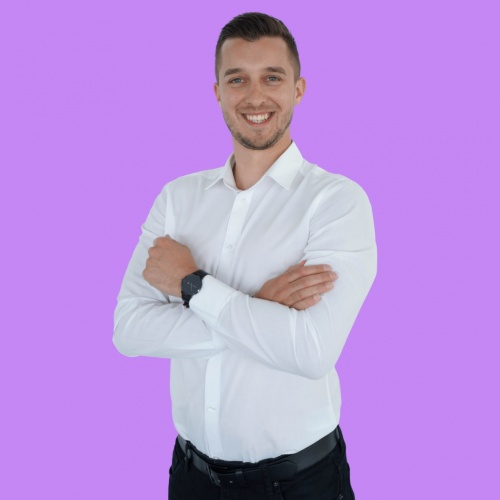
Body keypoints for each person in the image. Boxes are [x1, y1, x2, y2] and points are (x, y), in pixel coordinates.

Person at [113, 12, 376, 499]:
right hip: (191, 478)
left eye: (272, 78)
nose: (255, 96)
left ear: (298, 89)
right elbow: (129, 330)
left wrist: (193, 287)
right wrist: (259, 305)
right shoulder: (177, 199)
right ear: (218, 92)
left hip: (299, 484)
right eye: (238, 79)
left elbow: (311, 351)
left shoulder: (337, 202)